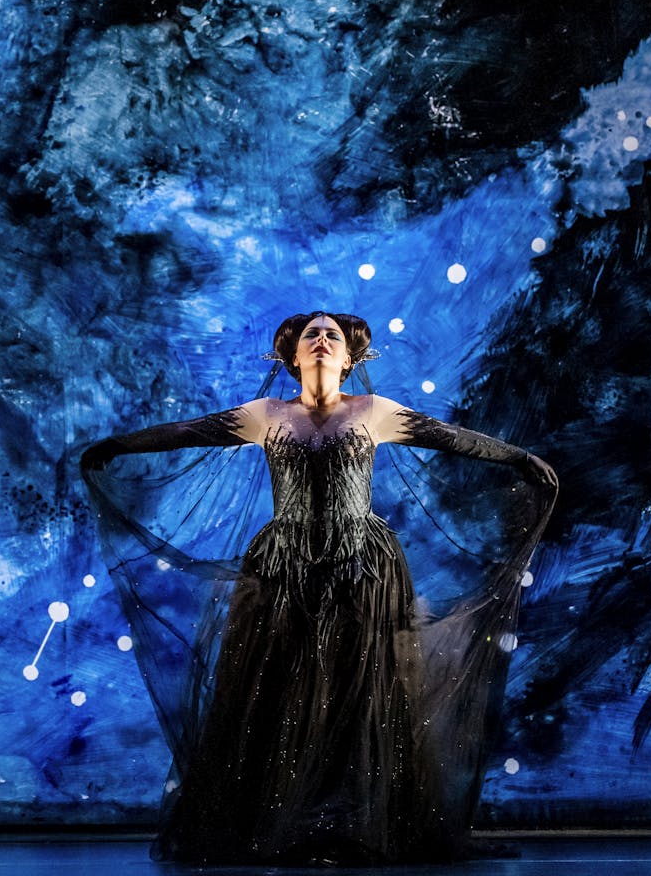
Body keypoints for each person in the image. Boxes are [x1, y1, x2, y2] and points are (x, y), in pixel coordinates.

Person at [80, 311, 557, 864]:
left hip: (362, 570)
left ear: (350, 358)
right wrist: (121, 444)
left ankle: (355, 825)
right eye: (313, 335)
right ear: (294, 357)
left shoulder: (374, 413)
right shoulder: (266, 415)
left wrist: (521, 458)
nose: (324, 340)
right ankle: (289, 824)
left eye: (333, 335)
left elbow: (452, 439)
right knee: (279, 692)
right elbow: (188, 432)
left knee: (360, 694)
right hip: (284, 569)